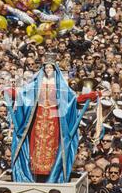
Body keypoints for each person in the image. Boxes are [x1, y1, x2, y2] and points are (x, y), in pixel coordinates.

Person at [11, 53, 79, 183]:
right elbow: (25, 93)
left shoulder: (60, 83)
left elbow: (71, 97)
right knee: (37, 142)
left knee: (52, 143)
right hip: (39, 116)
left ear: (55, 69)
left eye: (50, 68)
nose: (48, 70)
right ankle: (36, 171)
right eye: (46, 68)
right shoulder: (38, 82)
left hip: (54, 118)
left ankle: (52, 172)